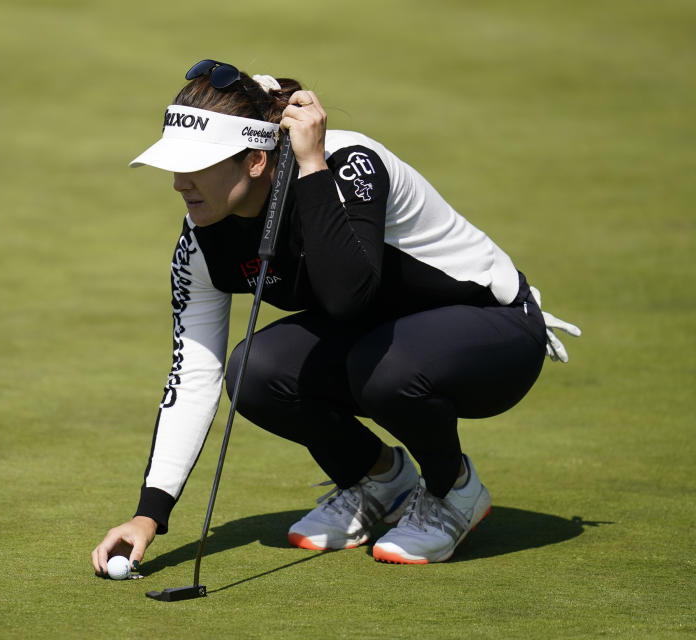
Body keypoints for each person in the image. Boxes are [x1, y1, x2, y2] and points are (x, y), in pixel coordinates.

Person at [91, 59, 580, 573]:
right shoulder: (201, 239)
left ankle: (450, 489)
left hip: (495, 329)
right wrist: (149, 515)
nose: (178, 184)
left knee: (386, 367)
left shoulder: (348, 163)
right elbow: (192, 373)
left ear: (256, 161)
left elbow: (349, 297)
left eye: (196, 167)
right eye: (174, 165)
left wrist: (312, 170)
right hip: (381, 339)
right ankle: (378, 480)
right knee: (254, 369)